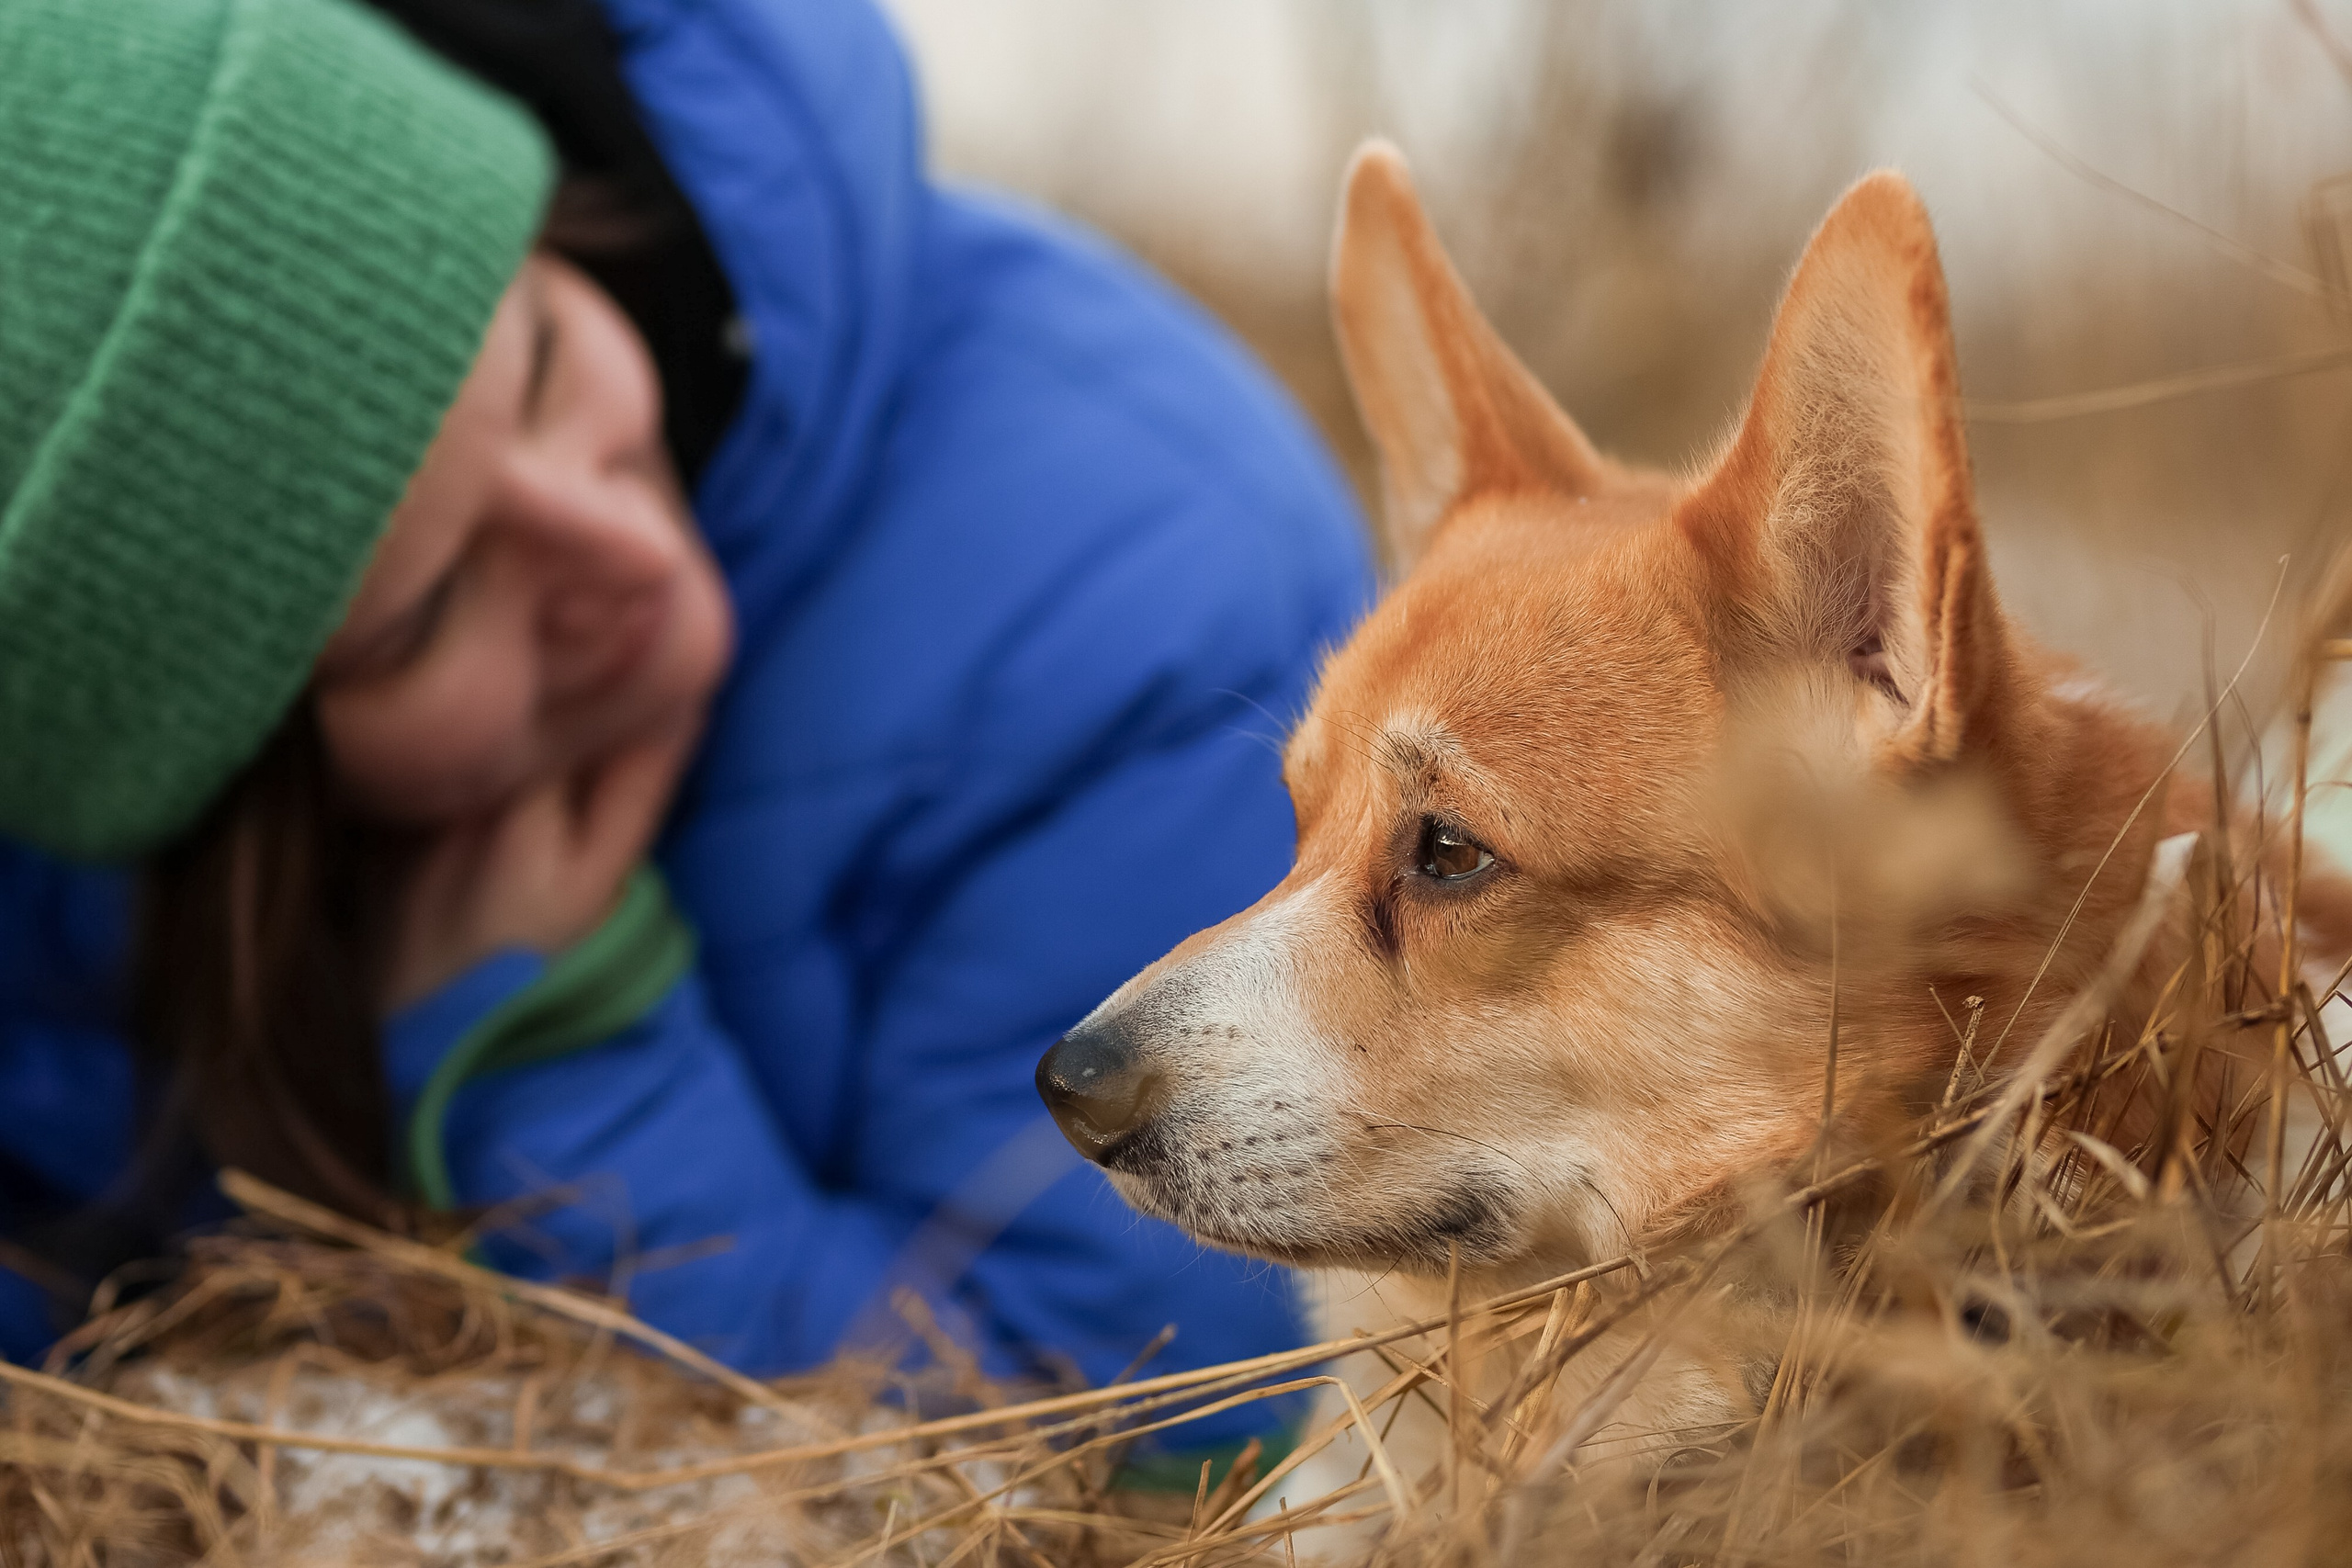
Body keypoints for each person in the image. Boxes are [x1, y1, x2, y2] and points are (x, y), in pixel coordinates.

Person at [0, 0, 1371, 1476]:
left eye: (537, 364)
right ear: (232, 794)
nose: (624, 556)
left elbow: (1148, 1436)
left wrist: (560, 1054)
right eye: (428, 611)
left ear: (560, 223)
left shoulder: (1145, 603)